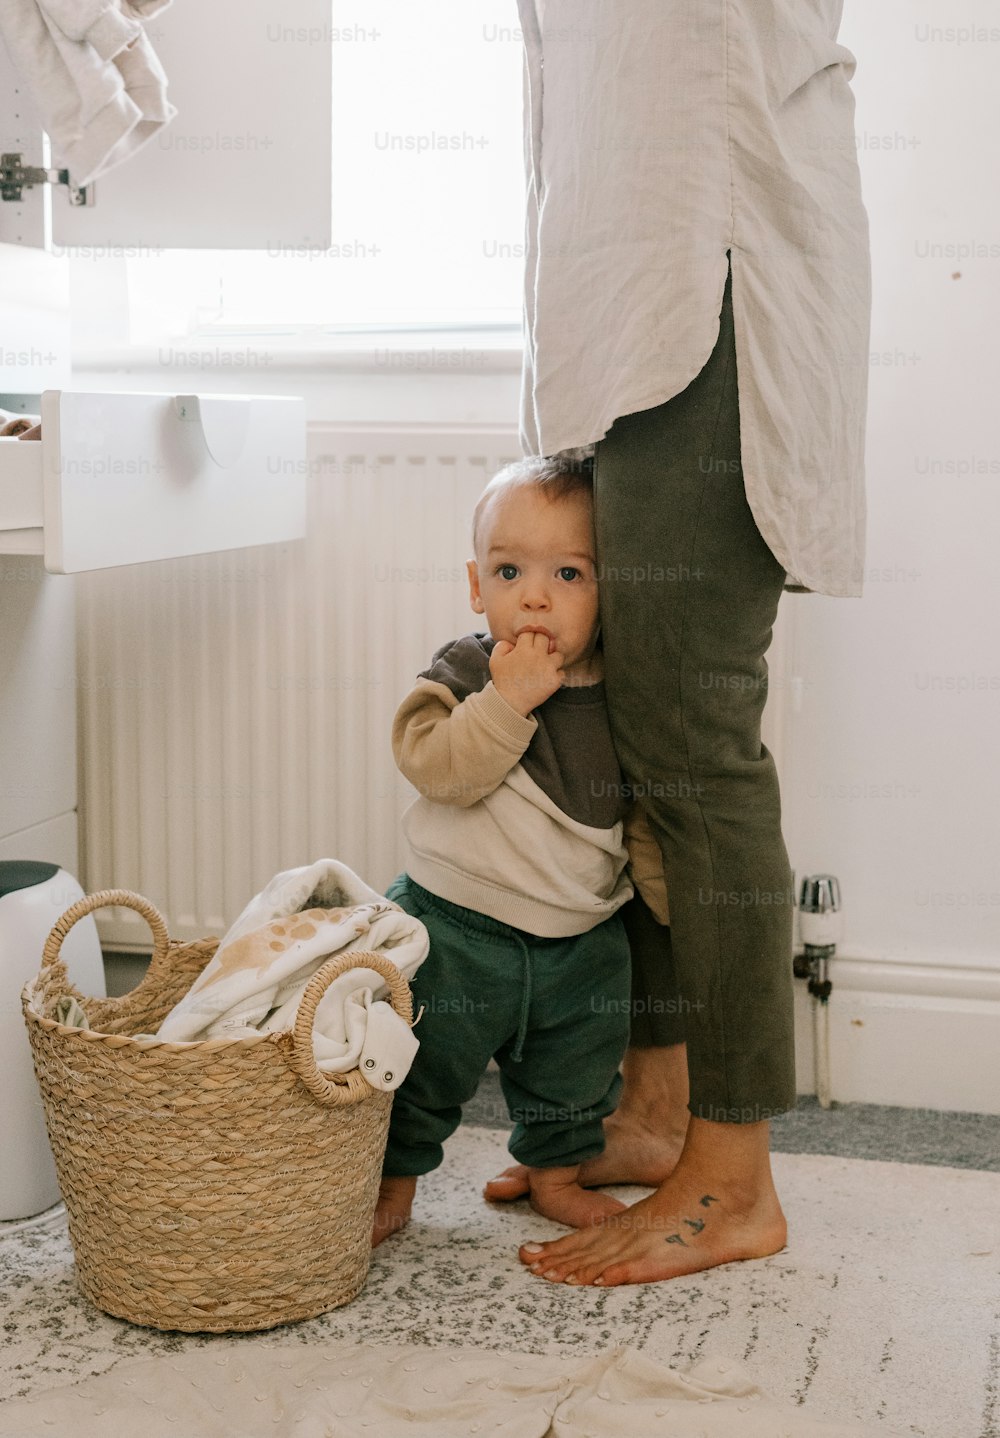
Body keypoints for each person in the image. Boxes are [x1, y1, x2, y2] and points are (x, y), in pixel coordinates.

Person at [485, 2, 871, 1286]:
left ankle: (734, 1177)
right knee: (628, 731)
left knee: (693, 752)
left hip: (711, 280)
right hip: (621, 291)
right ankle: (657, 1110)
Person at [372, 455, 669, 1246]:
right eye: (510, 570)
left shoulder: (622, 694)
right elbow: (435, 768)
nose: (535, 595)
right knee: (417, 1066)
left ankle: (558, 1175)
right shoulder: (469, 670)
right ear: (478, 587)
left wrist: (664, 891)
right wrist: (507, 701)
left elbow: (633, 809)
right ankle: (391, 1181)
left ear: (611, 589)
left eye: (569, 573)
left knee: (575, 1078)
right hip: (455, 929)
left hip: (580, 941)